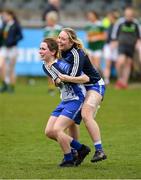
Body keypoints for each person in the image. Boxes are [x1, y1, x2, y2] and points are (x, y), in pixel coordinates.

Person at [53, 28, 107, 163]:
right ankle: (77, 152)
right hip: (80, 87)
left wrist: (61, 79)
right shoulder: (60, 53)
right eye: (59, 38)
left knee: (86, 114)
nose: (59, 41)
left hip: (94, 85)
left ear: (71, 41)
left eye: (63, 39)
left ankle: (99, 150)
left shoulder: (77, 53)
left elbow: (75, 75)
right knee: (71, 121)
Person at [39, 38, 91, 167]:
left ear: (52, 52)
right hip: (65, 100)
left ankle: (68, 159)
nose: (40, 51)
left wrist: (65, 79)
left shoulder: (62, 64)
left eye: (43, 49)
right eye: (40, 48)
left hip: (76, 99)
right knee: (49, 132)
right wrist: (58, 81)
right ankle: (80, 148)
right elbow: (57, 80)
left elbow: (85, 77)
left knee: (57, 130)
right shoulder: (45, 66)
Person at [111, 6, 141, 89]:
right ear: (125, 14)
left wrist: (138, 43)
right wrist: (114, 41)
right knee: (120, 62)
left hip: (131, 46)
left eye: (130, 15)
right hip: (122, 45)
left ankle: (124, 82)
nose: (128, 16)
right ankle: (120, 79)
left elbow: (139, 36)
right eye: (127, 15)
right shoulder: (120, 22)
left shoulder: (136, 23)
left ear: (133, 15)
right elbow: (114, 33)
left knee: (128, 64)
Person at [0, 9, 23, 93]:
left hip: (13, 48)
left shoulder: (16, 25)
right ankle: (4, 84)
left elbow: (20, 36)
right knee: (1, 66)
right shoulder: (4, 24)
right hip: (4, 48)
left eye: (6, 15)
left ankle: (11, 87)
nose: (4, 17)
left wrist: (13, 40)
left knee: (11, 68)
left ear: (11, 15)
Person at [43, 11, 62, 95]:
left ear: (53, 20)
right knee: (48, 68)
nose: (47, 21)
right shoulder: (46, 29)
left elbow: (61, 40)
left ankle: (60, 85)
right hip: (48, 52)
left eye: (48, 20)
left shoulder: (59, 29)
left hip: (57, 51)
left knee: (59, 69)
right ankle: (51, 87)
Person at [103, 10, 119, 85]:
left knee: (117, 64)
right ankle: (106, 79)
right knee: (108, 63)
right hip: (108, 46)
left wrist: (116, 43)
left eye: (110, 16)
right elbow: (106, 37)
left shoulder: (118, 26)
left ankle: (119, 79)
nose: (108, 18)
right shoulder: (108, 26)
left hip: (116, 46)